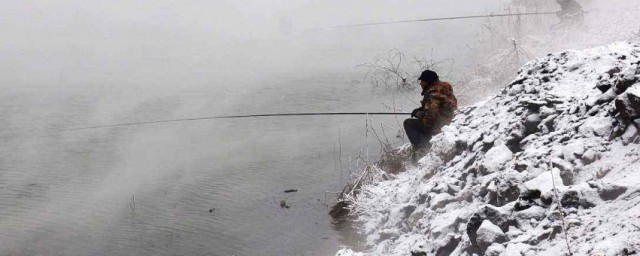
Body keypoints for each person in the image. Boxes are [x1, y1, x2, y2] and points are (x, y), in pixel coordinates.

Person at [403, 70, 457, 154]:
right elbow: (440, 105)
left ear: (429, 82)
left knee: (408, 123)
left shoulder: (433, 94)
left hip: (441, 125)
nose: (420, 83)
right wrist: (421, 109)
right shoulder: (445, 86)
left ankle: (423, 149)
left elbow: (429, 119)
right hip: (451, 120)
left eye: (423, 81)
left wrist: (418, 114)